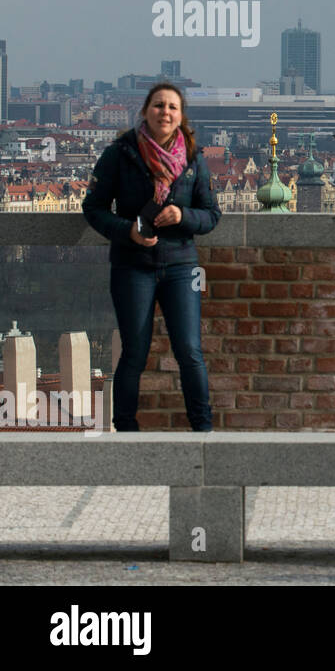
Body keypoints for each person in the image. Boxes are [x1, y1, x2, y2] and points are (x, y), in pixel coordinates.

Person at [82, 83, 222, 432]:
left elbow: (211, 214)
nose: (165, 112)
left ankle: (203, 431)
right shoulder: (120, 152)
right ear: (145, 111)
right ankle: (126, 432)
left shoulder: (193, 158)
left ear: (181, 116)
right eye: (158, 105)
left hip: (181, 264)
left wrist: (182, 216)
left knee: (190, 352)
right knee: (134, 353)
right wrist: (127, 230)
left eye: (172, 107)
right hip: (133, 265)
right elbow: (93, 208)